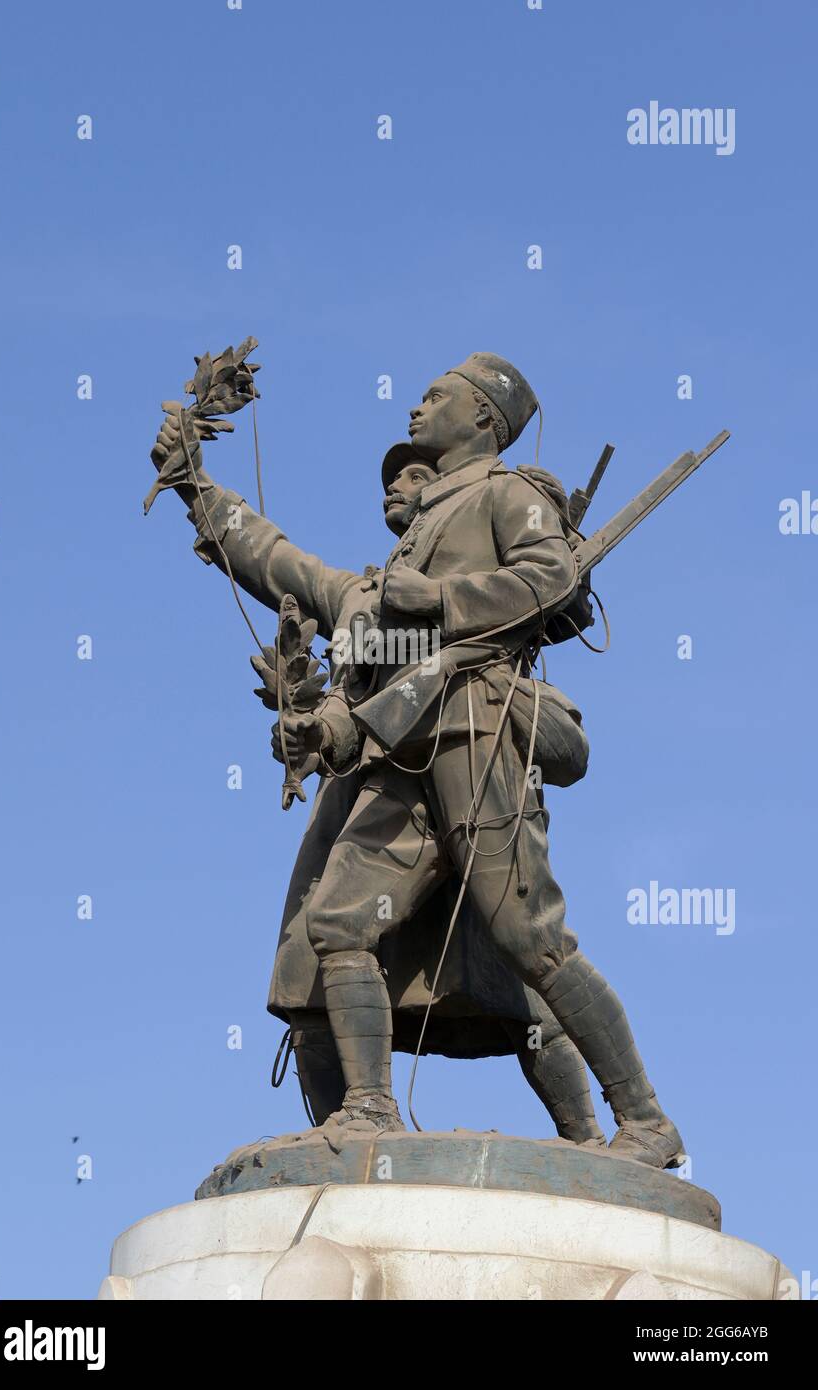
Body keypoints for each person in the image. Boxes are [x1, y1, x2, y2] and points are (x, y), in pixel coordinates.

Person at [150, 352, 684, 1168]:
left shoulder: (507, 493)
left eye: (436, 397)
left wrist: (440, 602)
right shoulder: (396, 559)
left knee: (528, 940)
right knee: (335, 923)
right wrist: (198, 491)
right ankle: (368, 1110)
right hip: (401, 754)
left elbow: (550, 577)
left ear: (482, 419)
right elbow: (282, 564)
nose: (413, 409)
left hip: (473, 729)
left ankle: (644, 1122)